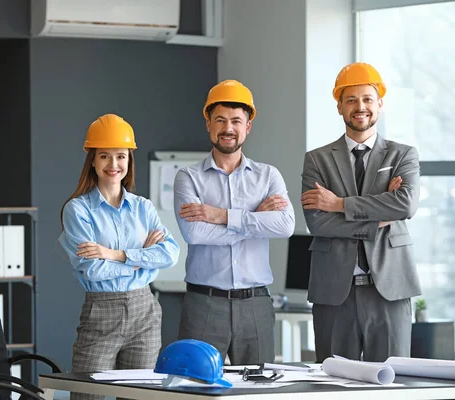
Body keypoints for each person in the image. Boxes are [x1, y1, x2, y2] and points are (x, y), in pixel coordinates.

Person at [300, 62, 421, 362]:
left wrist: (339, 204)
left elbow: (405, 205)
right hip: (334, 293)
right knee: (335, 386)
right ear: (339, 106)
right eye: (351, 100)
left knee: (392, 384)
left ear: (379, 103)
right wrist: (379, 214)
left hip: (390, 289)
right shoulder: (316, 160)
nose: (360, 107)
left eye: (367, 99)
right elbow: (318, 222)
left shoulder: (402, 154)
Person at [173, 80, 295, 364]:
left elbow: (285, 226)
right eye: (220, 120)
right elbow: (194, 233)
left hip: (256, 304)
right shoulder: (188, 177)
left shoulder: (269, 176)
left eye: (236, 121)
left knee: (257, 390)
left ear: (248, 126)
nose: (228, 128)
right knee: (195, 387)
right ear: (208, 124)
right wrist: (255, 219)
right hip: (203, 303)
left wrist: (222, 216)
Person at [59, 113, 179, 400]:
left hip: (145, 312)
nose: (114, 165)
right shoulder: (78, 210)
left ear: (129, 160)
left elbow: (170, 254)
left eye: (121, 157)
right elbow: (92, 270)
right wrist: (142, 260)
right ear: (93, 160)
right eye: (104, 156)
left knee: (141, 396)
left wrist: (114, 254)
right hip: (102, 312)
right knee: (87, 396)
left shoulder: (143, 208)